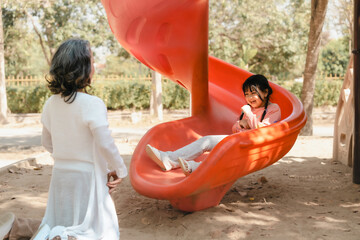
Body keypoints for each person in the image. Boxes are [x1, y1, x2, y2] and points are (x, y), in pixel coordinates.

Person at [0, 38, 127, 240]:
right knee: (102, 230)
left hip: (61, 176)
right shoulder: (93, 104)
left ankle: (16, 227)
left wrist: (65, 157)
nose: (94, 66)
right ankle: (66, 237)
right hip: (88, 178)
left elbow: (46, 143)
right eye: (92, 61)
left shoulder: (51, 103)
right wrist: (120, 169)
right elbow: (105, 143)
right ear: (83, 69)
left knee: (57, 222)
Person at [146, 74, 281, 176]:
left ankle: (192, 166)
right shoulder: (250, 108)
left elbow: (263, 131)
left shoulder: (273, 109)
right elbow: (235, 129)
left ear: (265, 92)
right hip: (237, 141)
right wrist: (241, 124)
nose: (250, 98)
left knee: (220, 153)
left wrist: (249, 115)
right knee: (207, 140)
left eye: (254, 94)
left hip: (252, 147)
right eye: (246, 95)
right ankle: (170, 160)